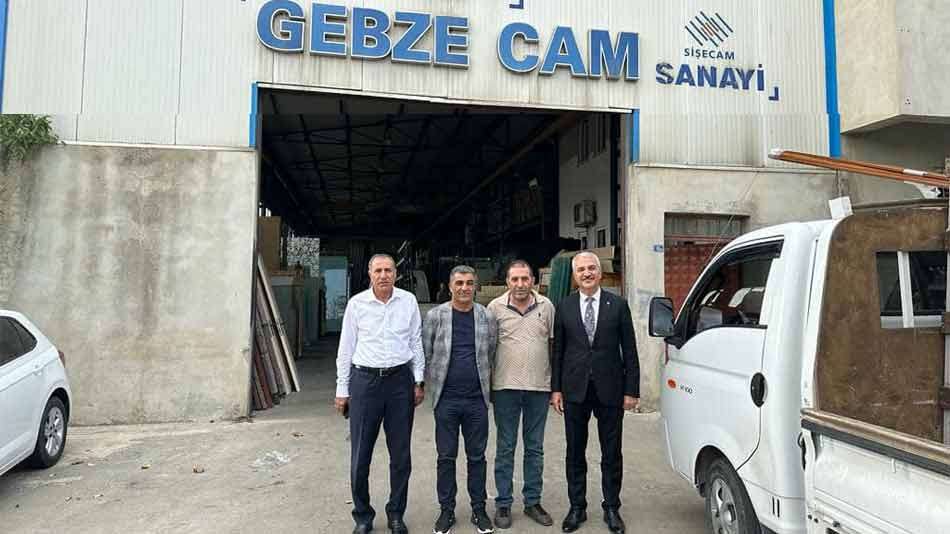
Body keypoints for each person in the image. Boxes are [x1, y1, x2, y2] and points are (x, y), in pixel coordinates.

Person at [335, 254, 426, 534]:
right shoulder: (357, 304)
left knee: (400, 455)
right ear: (370, 273)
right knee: (361, 454)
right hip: (365, 383)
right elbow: (346, 349)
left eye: (388, 270)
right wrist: (342, 389)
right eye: (378, 271)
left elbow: (416, 341)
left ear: (396, 274)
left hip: (400, 382)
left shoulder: (408, 301)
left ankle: (396, 513)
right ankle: (363, 516)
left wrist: (419, 380)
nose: (384, 275)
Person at [551, 251, 640, 534]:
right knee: (575, 452)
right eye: (581, 270)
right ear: (575, 276)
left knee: (611, 452)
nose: (587, 273)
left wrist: (631, 390)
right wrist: (556, 389)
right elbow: (558, 351)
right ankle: (577, 507)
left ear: (600, 273)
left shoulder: (618, 305)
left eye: (591, 268)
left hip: (610, 389)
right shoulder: (564, 306)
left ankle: (611, 507)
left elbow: (630, 349)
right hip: (574, 389)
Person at [422, 265, 498, 534]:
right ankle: (447, 510)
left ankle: (479, 509)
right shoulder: (436, 316)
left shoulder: (486, 316)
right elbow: (427, 352)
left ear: (475, 286)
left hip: (477, 400)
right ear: (450, 286)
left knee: (477, 457)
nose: (465, 288)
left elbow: (490, 352)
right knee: (446, 457)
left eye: (469, 283)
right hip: (446, 400)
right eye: (459, 283)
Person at [486, 260, 556, 529]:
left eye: (525, 279)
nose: (520, 284)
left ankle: (532, 502)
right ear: (507, 282)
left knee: (534, 448)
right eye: (514, 279)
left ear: (533, 281)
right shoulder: (495, 308)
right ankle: (503, 503)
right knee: (505, 447)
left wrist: (556, 386)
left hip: (538, 387)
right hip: (505, 388)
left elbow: (554, 346)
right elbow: (487, 349)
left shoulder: (546, 306)